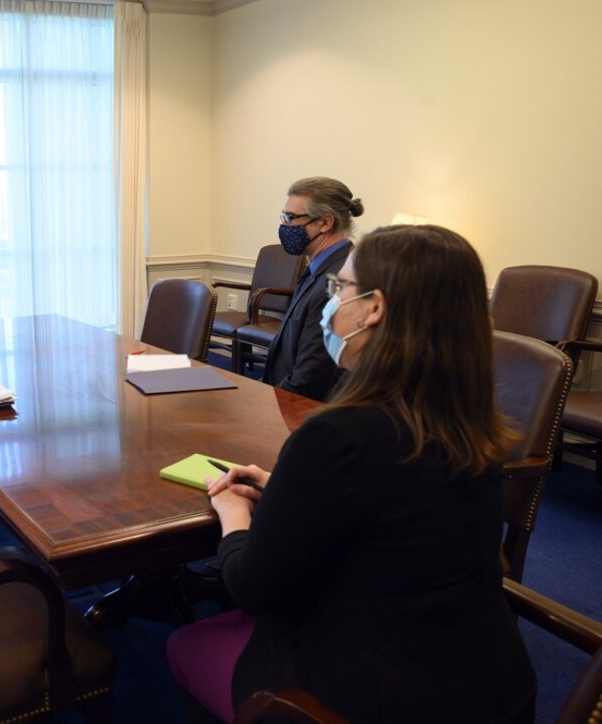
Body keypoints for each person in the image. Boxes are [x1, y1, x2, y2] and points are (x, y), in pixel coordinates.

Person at [167, 226, 536, 723]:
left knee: (183, 644)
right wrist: (288, 489)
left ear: (374, 308)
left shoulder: (339, 435)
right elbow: (400, 516)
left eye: (340, 288)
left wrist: (234, 513)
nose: (332, 302)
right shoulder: (474, 426)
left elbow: (251, 588)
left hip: (360, 699)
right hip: (489, 689)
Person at [262, 176, 363, 401]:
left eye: (290, 218)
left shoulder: (339, 279)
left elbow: (312, 375)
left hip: (302, 410)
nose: (284, 226)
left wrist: (265, 403)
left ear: (325, 223)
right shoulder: (319, 267)